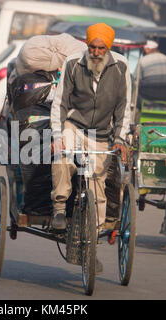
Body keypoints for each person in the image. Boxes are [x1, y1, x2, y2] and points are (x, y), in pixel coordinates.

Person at [50, 22, 131, 233]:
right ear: (87, 45)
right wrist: (57, 136)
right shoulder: (73, 63)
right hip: (74, 125)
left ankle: (92, 240)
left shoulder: (121, 67)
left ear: (108, 48)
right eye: (92, 47)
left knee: (98, 185)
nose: (96, 52)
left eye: (101, 48)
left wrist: (120, 140)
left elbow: (123, 107)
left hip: (102, 133)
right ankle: (59, 208)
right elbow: (60, 103)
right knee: (62, 155)